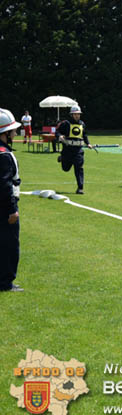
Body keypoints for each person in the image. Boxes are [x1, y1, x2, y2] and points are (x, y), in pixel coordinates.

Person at [0, 108, 23, 291]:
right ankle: (5, 282)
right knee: (9, 245)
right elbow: (5, 185)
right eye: (12, 130)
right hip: (4, 208)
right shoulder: (4, 155)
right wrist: (12, 209)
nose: (15, 133)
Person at [55, 105, 93, 194]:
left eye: (78, 114)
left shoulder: (82, 124)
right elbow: (57, 131)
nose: (77, 116)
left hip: (78, 151)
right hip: (67, 150)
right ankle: (62, 158)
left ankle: (80, 188)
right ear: (71, 115)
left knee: (79, 168)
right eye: (75, 114)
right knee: (65, 168)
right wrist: (59, 136)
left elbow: (84, 135)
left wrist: (88, 144)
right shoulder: (66, 123)